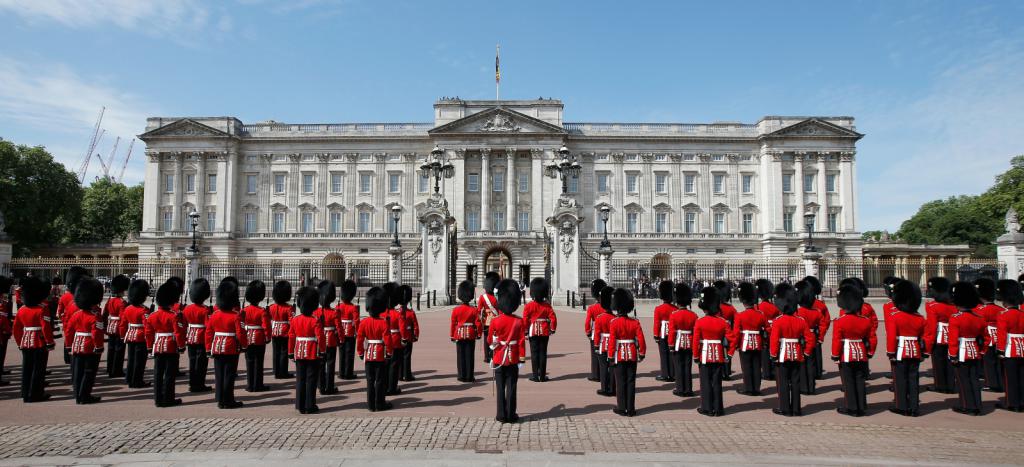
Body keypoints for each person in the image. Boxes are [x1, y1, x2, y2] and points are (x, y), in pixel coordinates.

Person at [769, 282, 815, 417]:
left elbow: (774, 340)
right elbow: (810, 339)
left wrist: (773, 354)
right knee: (795, 382)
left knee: (783, 383)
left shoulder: (778, 321)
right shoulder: (801, 320)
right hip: (797, 354)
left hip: (782, 355)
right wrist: (806, 352)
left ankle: (785, 408)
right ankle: (796, 409)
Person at [831, 283, 875, 417]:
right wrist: (870, 352)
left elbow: (837, 340)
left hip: (847, 354)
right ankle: (861, 407)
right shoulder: (865, 320)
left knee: (849, 381)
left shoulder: (840, 321)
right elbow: (871, 338)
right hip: (861, 353)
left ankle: (851, 407)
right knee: (860, 380)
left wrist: (835, 355)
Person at [488, 278, 526, 423]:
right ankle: (511, 414)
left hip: (498, 357)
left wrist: (495, 344)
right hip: (513, 358)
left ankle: (501, 415)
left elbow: (490, 340)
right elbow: (522, 342)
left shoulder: (495, 321)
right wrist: (522, 358)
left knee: (500, 388)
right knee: (511, 387)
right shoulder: (519, 321)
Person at [887, 280, 927, 416]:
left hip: (900, 351)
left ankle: (902, 406)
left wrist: (891, 353)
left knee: (900, 380)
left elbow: (892, 337)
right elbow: (924, 337)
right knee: (913, 380)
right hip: (915, 351)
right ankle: (914, 407)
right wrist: (923, 352)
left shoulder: (895, 317)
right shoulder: (920, 318)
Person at [206, 279, 247, 409]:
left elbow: (208, 333)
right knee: (229, 375)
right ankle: (228, 400)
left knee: (219, 374)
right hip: (230, 347)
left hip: (217, 347)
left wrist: (208, 349)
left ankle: (220, 398)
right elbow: (240, 333)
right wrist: (244, 345)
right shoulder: (236, 316)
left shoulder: (214, 315)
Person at [12, 276, 54, 402]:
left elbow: (16, 329)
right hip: (39, 341)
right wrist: (50, 342)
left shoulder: (22, 310)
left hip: (25, 341)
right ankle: (36, 394)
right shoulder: (42, 309)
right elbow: (46, 328)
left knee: (27, 368)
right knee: (38, 369)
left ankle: (25, 393)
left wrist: (20, 342)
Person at [145, 282, 186, 407]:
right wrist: (181, 346)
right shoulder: (173, 316)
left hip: (157, 346)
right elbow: (178, 333)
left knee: (157, 374)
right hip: (170, 346)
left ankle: (158, 399)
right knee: (169, 374)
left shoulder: (152, 316)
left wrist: (149, 347)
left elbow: (148, 333)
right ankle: (168, 398)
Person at [948, 281, 985, 415]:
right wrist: (981, 351)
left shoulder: (956, 318)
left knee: (963, 380)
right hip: (974, 352)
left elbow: (953, 340)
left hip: (961, 352)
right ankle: (977, 405)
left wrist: (953, 355)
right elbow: (985, 338)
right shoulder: (979, 318)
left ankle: (967, 405)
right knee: (974, 380)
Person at [608, 288, 646, 416]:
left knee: (620, 382)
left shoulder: (614, 323)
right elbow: (641, 339)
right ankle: (630, 409)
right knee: (631, 381)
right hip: (632, 354)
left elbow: (612, 342)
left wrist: (611, 356)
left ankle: (621, 407)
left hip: (619, 355)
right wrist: (642, 353)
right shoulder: (635, 322)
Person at [66, 277, 105, 404]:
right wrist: (99, 347)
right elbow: (96, 334)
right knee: (89, 373)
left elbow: (69, 331)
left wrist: (69, 345)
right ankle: (85, 395)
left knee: (77, 372)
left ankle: (78, 395)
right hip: (89, 347)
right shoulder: (95, 317)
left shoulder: (76, 314)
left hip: (76, 346)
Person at [357, 286, 396, 412]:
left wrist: (361, 352)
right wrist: (389, 353)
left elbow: (359, 339)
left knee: (369, 380)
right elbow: (388, 340)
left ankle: (370, 404)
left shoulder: (364, 322)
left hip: (368, 354)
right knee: (380, 380)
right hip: (380, 354)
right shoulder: (384, 323)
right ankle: (380, 403)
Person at [693, 286, 729, 416]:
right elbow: (730, 338)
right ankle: (718, 408)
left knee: (705, 382)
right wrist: (728, 354)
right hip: (718, 355)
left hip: (704, 355)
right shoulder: (723, 322)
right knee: (717, 382)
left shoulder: (700, 322)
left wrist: (696, 356)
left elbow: (696, 341)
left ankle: (707, 407)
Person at [289, 286, 326, 414]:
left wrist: (290, 352)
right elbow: (320, 337)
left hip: (299, 352)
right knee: (311, 379)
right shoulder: (315, 320)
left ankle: (300, 404)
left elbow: (291, 336)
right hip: (311, 352)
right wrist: (322, 351)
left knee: (300, 379)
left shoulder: (295, 320)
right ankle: (310, 405)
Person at [731, 282, 767, 396]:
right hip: (757, 342)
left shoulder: (740, 315)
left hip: (744, 343)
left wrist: (735, 345)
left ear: (743, 301)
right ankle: (756, 388)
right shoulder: (761, 314)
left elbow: (736, 333)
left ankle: (748, 388)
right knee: (757, 366)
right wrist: (764, 340)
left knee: (746, 366)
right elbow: (768, 329)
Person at [924, 277, 958, 394]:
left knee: (938, 362)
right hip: (952, 335)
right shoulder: (954, 306)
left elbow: (931, 327)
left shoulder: (932, 306)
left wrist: (928, 344)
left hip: (939, 337)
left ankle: (940, 385)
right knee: (950, 362)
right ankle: (950, 385)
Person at [995, 279, 1024, 412]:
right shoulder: (1022, 314)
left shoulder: (1004, 315)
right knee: (1021, 376)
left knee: (1009, 377)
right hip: (1022, 348)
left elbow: (1002, 335)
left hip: (1009, 349)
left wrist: (1000, 350)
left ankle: (1011, 403)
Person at [974, 278, 1005, 393]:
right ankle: (1000, 382)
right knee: (998, 362)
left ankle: (991, 383)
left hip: (987, 337)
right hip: (998, 336)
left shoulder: (979, 310)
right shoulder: (1000, 309)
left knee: (988, 362)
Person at [523, 277, 556, 382]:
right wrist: (552, 329)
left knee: (534, 354)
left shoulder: (529, 306)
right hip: (545, 331)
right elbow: (553, 318)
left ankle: (535, 376)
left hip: (533, 331)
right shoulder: (547, 306)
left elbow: (525, 320)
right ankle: (542, 376)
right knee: (543, 353)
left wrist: (525, 331)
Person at [182, 278, 212, 393]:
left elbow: (183, 325)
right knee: (201, 364)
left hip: (190, 338)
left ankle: (192, 383)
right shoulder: (205, 310)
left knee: (192, 361)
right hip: (201, 339)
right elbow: (208, 327)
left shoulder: (187, 309)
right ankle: (199, 385)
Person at [668, 283, 698, 397]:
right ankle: (688, 389)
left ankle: (680, 388)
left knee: (679, 366)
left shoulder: (674, 315)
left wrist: (671, 344)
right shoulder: (693, 315)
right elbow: (695, 333)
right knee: (687, 366)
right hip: (689, 343)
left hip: (677, 343)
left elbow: (672, 332)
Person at [241, 280, 271, 393]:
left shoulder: (244, 310)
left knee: (249, 361)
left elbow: (241, 325)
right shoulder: (262, 311)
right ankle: (258, 384)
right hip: (259, 339)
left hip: (248, 338)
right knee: (258, 362)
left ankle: (250, 385)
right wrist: (268, 338)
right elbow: (266, 326)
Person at [794, 280, 823, 395]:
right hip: (813, 338)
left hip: (801, 339)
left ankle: (804, 387)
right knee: (811, 364)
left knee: (801, 363)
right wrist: (819, 337)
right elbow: (822, 325)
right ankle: (811, 387)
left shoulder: (799, 312)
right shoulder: (817, 312)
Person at [121, 279, 150, 388]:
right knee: (140, 361)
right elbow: (147, 327)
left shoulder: (128, 308)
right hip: (140, 337)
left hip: (130, 336)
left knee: (131, 359)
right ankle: (137, 381)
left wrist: (123, 335)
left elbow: (123, 324)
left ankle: (129, 378)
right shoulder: (144, 310)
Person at [451, 280, 482, 382]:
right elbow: (478, 323)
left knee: (460, 356)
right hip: (471, 334)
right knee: (470, 355)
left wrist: (452, 335)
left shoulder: (456, 310)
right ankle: (469, 376)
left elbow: (453, 324)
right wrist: (479, 333)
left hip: (459, 334)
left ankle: (461, 375)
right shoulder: (474, 310)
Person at [58, 267, 89, 365]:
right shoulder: (80, 296)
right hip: (76, 321)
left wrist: (63, 319)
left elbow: (60, 312)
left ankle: (67, 357)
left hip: (68, 321)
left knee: (68, 338)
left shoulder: (64, 296)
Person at [101, 275, 129, 378]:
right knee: (119, 350)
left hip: (110, 326)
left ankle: (110, 368)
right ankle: (117, 370)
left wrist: (104, 327)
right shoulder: (121, 302)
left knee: (111, 348)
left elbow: (104, 314)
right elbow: (123, 319)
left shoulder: (110, 300)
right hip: (118, 328)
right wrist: (123, 333)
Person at [315, 280, 340, 395]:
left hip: (319, 341)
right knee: (330, 364)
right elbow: (339, 328)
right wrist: (341, 339)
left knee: (320, 364)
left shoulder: (316, 311)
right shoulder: (334, 312)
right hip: (330, 340)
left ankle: (321, 386)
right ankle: (329, 387)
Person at [803, 276, 831, 379]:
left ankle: (808, 373)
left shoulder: (803, 305)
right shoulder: (820, 304)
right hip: (816, 332)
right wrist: (821, 334)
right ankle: (817, 372)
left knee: (807, 354)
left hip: (807, 333)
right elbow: (826, 320)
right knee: (817, 353)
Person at [382, 282, 406, 395]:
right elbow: (402, 330)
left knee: (384, 365)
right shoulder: (398, 314)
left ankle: (384, 386)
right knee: (394, 365)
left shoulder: (381, 314)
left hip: (383, 342)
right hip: (395, 341)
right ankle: (392, 388)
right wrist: (404, 339)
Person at [269, 280, 295, 380]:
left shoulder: (272, 307)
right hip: (285, 332)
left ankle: (276, 371)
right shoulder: (289, 308)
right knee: (284, 352)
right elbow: (292, 322)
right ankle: (283, 372)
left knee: (276, 352)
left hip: (275, 331)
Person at [594, 286, 617, 397]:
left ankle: (604, 388)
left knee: (603, 367)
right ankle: (612, 388)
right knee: (612, 366)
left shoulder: (600, 318)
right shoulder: (615, 318)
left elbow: (597, 334)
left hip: (603, 344)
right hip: (614, 345)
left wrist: (596, 346)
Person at [755, 279, 779, 382]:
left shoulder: (759, 307)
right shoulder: (774, 306)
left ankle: (766, 372)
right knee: (773, 350)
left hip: (764, 330)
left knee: (764, 352)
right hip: (773, 329)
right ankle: (772, 371)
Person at [652, 280, 676, 382]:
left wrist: (656, 335)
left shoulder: (659, 308)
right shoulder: (675, 308)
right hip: (673, 333)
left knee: (663, 353)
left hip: (662, 333)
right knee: (672, 353)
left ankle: (665, 374)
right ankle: (672, 373)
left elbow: (657, 323)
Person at [336, 280, 360, 380]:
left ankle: (341, 372)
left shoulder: (338, 306)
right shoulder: (353, 307)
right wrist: (358, 332)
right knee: (349, 353)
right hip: (350, 332)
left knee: (342, 353)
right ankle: (348, 373)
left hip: (341, 331)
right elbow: (356, 321)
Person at [584, 279, 608, 382]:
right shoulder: (608, 307)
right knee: (605, 355)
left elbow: (587, 323)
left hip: (595, 334)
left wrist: (588, 332)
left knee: (595, 355)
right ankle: (605, 374)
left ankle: (596, 374)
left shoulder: (592, 308)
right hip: (607, 333)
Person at [712, 281, 736, 380]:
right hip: (728, 331)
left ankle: (721, 371)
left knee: (719, 351)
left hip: (717, 332)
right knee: (727, 351)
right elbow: (735, 321)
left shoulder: (716, 307)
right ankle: (727, 372)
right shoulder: (731, 308)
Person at [478, 272, 501, 363]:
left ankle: (486, 356)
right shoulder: (497, 297)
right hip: (496, 319)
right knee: (495, 338)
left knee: (486, 338)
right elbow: (500, 309)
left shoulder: (482, 297)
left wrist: (482, 316)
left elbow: (479, 310)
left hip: (487, 320)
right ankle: (493, 354)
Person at [398, 284, 420, 382]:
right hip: (408, 337)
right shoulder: (411, 313)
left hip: (398, 337)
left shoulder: (396, 312)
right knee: (407, 357)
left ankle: (399, 374)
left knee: (399, 356)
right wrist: (416, 336)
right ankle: (407, 375)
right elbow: (415, 326)